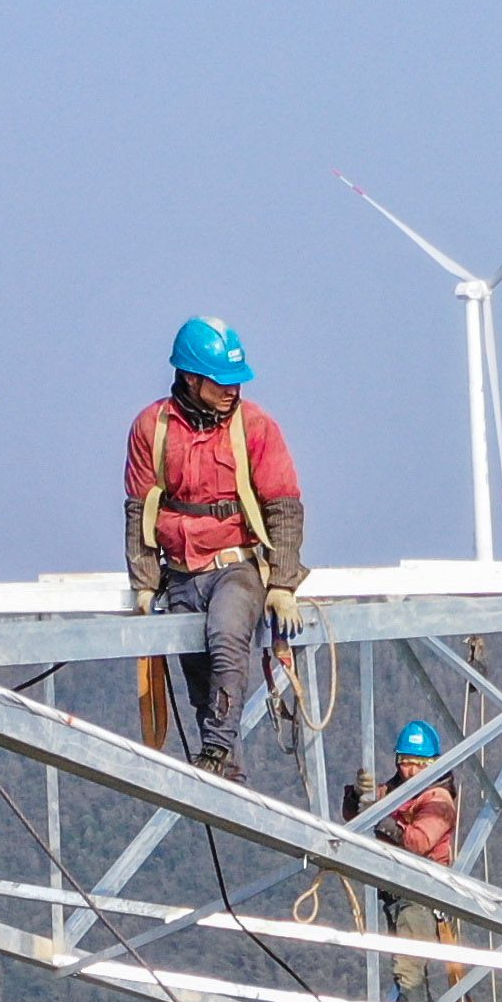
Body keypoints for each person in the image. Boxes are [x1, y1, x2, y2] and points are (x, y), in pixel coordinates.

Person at [123, 318, 306, 773]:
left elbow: (284, 504)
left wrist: (282, 583)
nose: (231, 390)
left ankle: (220, 751)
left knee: (226, 639)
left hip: (235, 567)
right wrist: (145, 585)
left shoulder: (255, 425)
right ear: (190, 377)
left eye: (235, 381)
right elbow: (138, 509)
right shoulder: (153, 427)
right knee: (199, 677)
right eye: (221, 381)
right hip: (181, 572)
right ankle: (226, 768)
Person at [366, 719, 468, 1002]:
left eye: (415, 764)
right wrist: (359, 797)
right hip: (398, 891)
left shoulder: (438, 799)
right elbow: (358, 812)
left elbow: (418, 842)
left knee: (407, 967)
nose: (408, 770)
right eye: (404, 762)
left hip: (421, 891)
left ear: (429, 764)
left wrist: (382, 820)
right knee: (413, 972)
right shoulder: (398, 790)